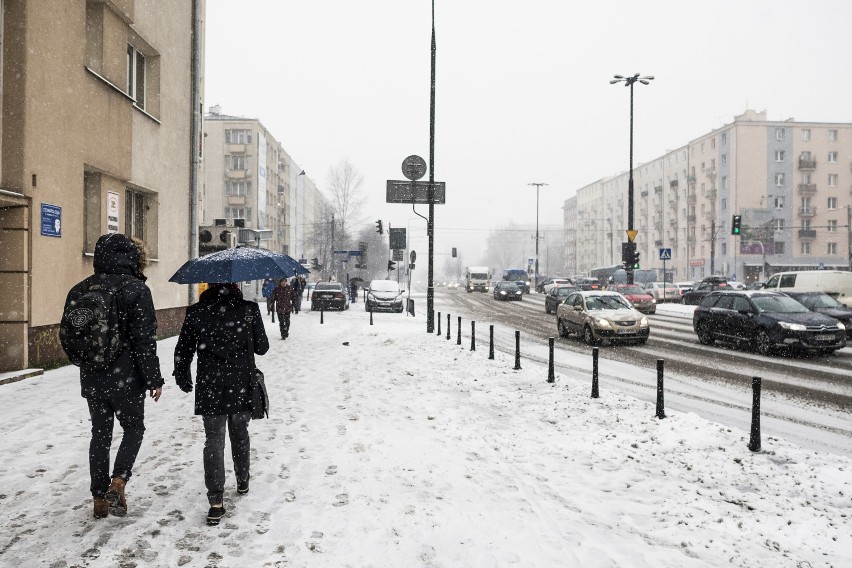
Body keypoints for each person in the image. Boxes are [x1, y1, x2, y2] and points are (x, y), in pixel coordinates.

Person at [62, 233, 164, 519]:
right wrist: (153, 378)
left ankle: (98, 499)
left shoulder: (80, 289)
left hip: (92, 375)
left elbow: (70, 335)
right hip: (127, 377)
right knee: (134, 428)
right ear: (134, 258)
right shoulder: (136, 290)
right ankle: (118, 481)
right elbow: (145, 340)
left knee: (100, 435)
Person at [173, 283, 269, 526]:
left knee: (213, 441)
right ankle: (243, 478)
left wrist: (182, 374)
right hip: (240, 382)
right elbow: (262, 347)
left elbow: (183, 349)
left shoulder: (196, 311)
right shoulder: (248, 309)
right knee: (239, 433)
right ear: (236, 285)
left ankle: (216, 502)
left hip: (209, 384)